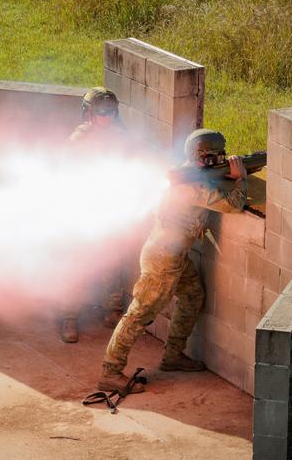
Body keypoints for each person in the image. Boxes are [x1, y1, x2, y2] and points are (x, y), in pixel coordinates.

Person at [97, 128, 248, 393]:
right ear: (198, 156)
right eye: (210, 156)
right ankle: (111, 371)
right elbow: (234, 204)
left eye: (219, 155)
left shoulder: (184, 173)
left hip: (172, 255)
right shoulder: (191, 184)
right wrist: (240, 178)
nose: (216, 159)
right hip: (163, 260)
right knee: (139, 314)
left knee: (193, 295)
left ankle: (173, 356)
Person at [60, 87, 132, 343]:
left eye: (111, 112)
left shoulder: (121, 138)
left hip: (109, 212)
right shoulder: (78, 141)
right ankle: (69, 318)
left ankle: (112, 311)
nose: (107, 117)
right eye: (102, 112)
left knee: (112, 262)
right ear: (89, 113)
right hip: (81, 214)